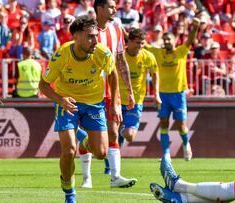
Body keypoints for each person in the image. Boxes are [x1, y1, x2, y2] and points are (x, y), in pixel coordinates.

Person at [38, 15, 118, 203]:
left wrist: (115, 102)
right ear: (76, 37)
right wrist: (60, 99)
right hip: (68, 103)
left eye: (96, 36)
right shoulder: (62, 54)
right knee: (68, 151)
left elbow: (113, 73)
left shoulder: (101, 52)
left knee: (101, 153)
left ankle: (84, 141)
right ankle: (69, 192)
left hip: (94, 103)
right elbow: (43, 85)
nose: (95, 40)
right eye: (90, 36)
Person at [76, 0, 136, 189]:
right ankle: (86, 178)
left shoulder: (116, 30)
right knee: (89, 135)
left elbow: (121, 61)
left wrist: (130, 90)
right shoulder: (86, 29)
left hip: (109, 91)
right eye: (110, 6)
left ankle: (115, 176)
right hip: (88, 91)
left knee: (113, 131)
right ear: (99, 9)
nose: (114, 9)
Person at [145, 18, 200, 161]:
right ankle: (166, 153)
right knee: (164, 123)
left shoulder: (181, 51)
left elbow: (190, 40)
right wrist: (125, 32)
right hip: (163, 95)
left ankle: (186, 144)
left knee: (181, 125)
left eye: (169, 39)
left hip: (178, 94)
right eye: (165, 40)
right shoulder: (158, 53)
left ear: (174, 41)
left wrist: (195, 27)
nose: (167, 42)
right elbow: (142, 43)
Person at [117, 28, 161, 146]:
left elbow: (155, 74)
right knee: (110, 133)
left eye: (142, 43)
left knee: (130, 136)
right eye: (137, 42)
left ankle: (121, 132)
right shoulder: (119, 55)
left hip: (135, 101)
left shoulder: (148, 56)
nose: (140, 46)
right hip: (117, 99)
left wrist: (156, 94)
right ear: (129, 41)